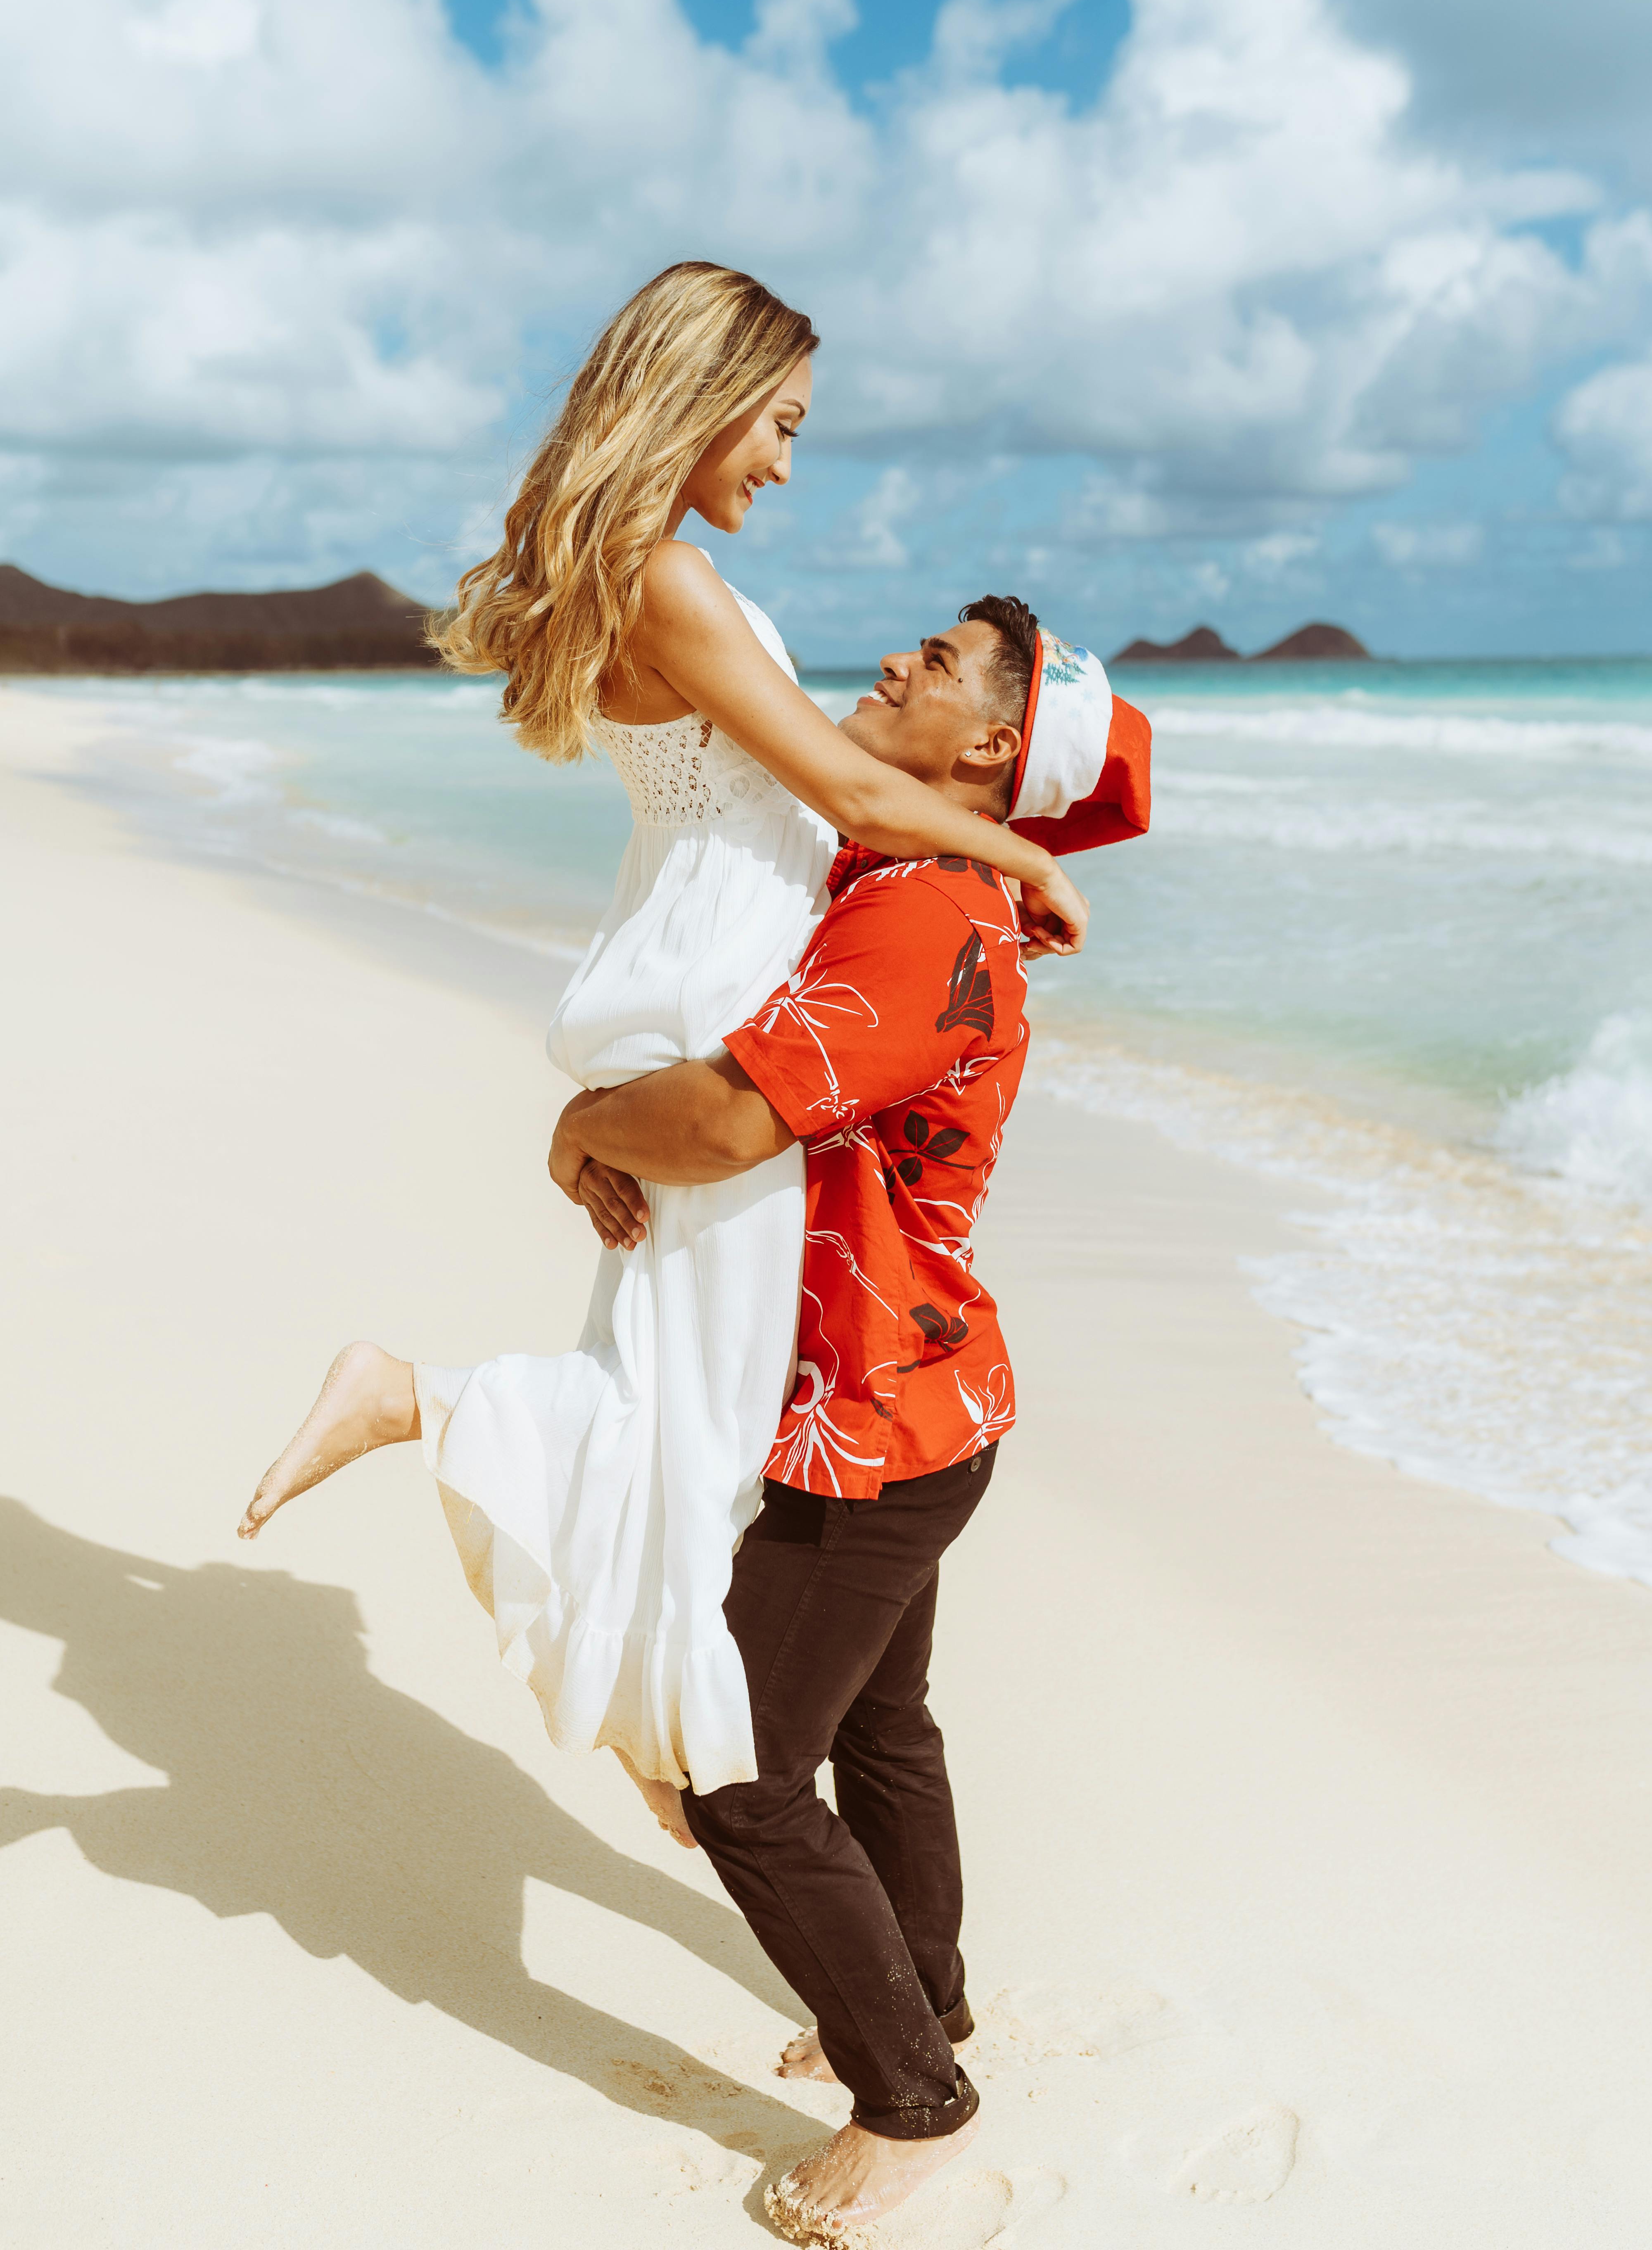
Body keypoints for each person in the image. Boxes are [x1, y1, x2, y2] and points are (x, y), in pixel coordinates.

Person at [236, 261, 1091, 1850]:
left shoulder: (642, 570)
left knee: (691, 1396)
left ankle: (660, 1715)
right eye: (778, 422)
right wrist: (1031, 866)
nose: (784, 459)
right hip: (722, 1010)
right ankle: (426, 1414)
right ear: (703, 394)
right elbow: (854, 796)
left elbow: (840, 795)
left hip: (712, 986)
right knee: (698, 1418)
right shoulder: (664, 575)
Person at [542, 597, 1150, 2241]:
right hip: (924, 1400)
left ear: (989, 754)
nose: (896, 662)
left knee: (731, 1772)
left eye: (941, 668)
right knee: (885, 1728)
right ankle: (929, 2002)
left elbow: (738, 1113)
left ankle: (913, 2106)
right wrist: (1028, 860)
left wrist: (581, 1120)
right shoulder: (911, 878)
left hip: (879, 1428)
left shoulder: (918, 919)